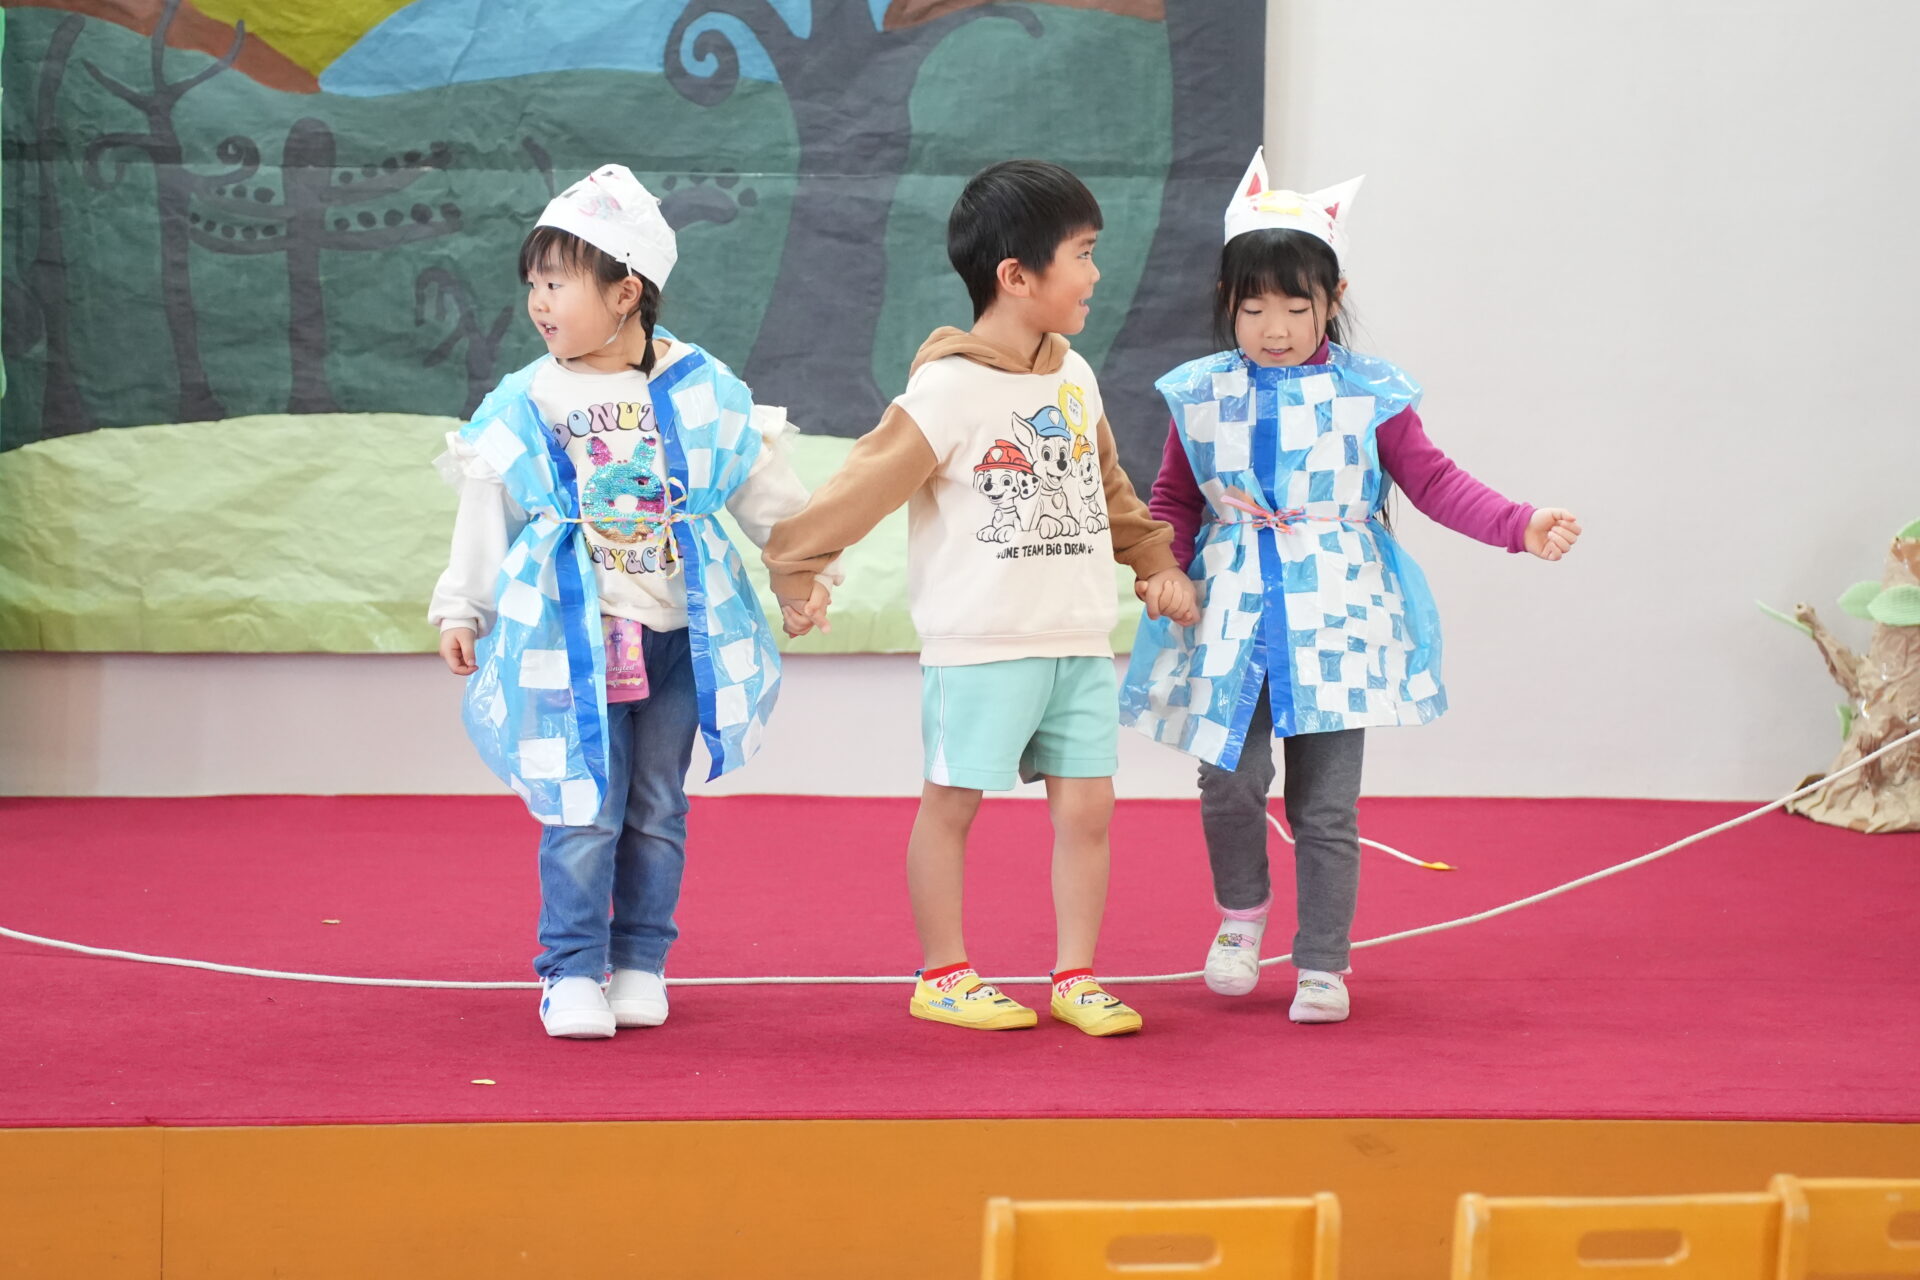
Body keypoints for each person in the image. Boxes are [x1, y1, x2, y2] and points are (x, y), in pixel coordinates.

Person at [1122, 149, 1582, 1024]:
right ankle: (1241, 916)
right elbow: (1173, 499)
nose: (1276, 327)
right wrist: (1164, 567)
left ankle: (1324, 962)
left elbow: (1434, 481)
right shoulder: (1203, 395)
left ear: (1333, 299)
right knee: (1228, 780)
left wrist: (1518, 523)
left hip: (1336, 617)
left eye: (1297, 307)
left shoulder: (1369, 395)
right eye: (1253, 307)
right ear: (1227, 302)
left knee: (1325, 804)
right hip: (1230, 617)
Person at [763, 160, 1198, 1037]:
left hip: (1076, 638)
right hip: (982, 644)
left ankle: (1076, 976)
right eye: (1083, 253)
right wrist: (796, 562)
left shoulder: (1074, 377)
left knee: (1089, 809)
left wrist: (1154, 560)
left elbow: (1107, 486)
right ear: (1017, 276)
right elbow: (866, 482)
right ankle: (944, 973)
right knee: (953, 803)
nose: (1096, 272)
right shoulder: (949, 389)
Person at [429, 164, 836, 1039]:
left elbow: (768, 496)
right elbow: (487, 509)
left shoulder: (699, 387)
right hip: (573, 638)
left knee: (656, 808)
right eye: (533, 283)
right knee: (583, 804)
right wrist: (463, 606)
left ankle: (642, 962)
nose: (539, 302)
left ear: (626, 292)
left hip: (681, 636)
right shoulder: (530, 398)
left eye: (558, 283)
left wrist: (803, 576)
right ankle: (572, 969)